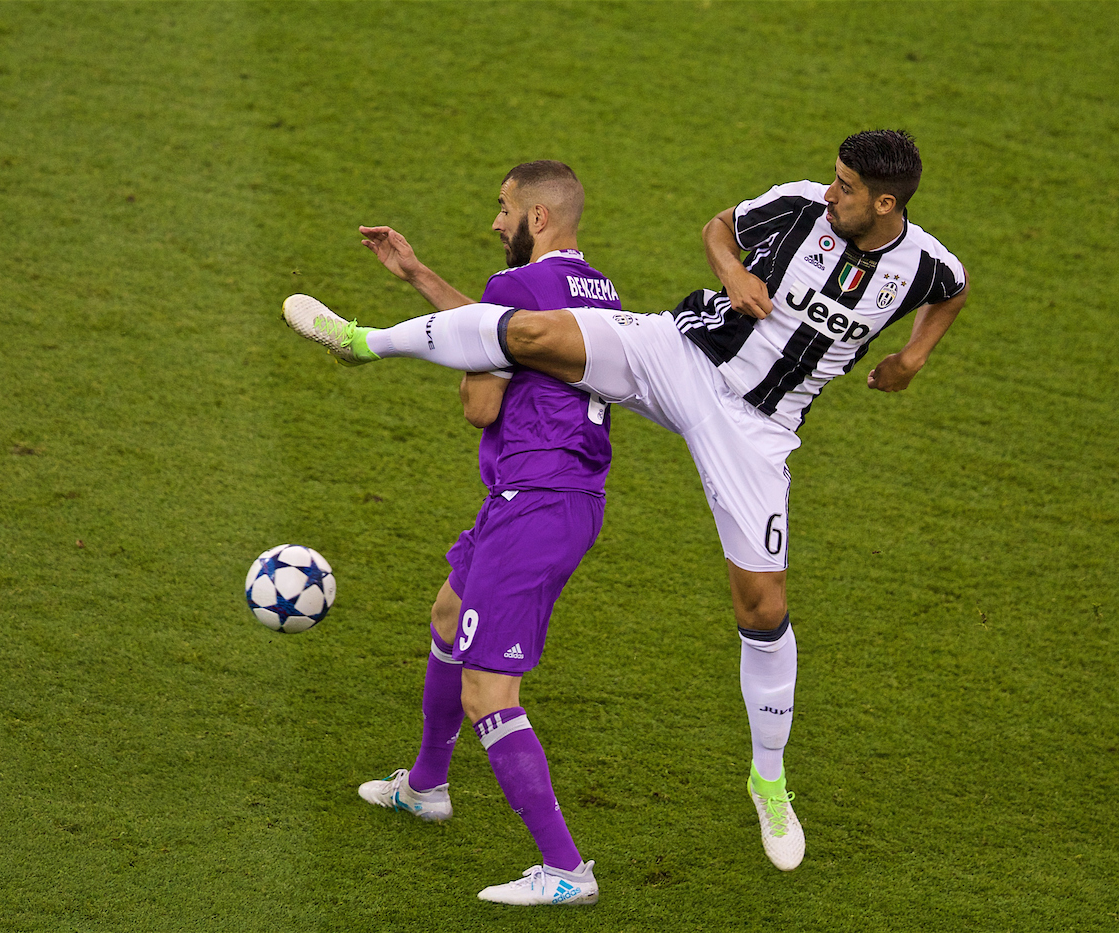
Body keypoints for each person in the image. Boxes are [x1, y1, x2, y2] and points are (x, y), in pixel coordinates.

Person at [283, 130, 970, 873]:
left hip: (757, 430)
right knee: (533, 332)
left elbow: (952, 292)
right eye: (833, 180)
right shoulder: (799, 207)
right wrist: (732, 271)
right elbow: (718, 225)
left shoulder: (926, 265)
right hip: (678, 354)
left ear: (886, 202)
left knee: (762, 607)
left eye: (844, 187)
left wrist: (912, 356)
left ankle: (768, 781)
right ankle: (362, 342)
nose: (829, 192)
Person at [286, 161, 621, 906]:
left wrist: (475, 372)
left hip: (534, 501)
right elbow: (501, 332)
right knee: (448, 612)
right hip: (558, 497)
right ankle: (428, 783)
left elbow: (480, 399)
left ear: (537, 216)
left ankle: (567, 869)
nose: (495, 222)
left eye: (504, 209)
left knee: (488, 689)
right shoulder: (592, 287)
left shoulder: (516, 288)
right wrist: (418, 275)